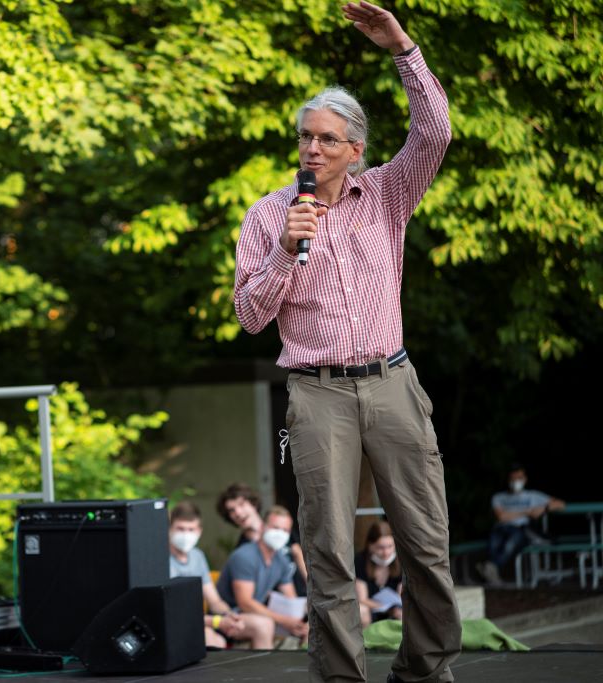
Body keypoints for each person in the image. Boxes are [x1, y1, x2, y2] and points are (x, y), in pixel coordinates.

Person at [232, 2, 461, 680]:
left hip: (392, 382)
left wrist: (402, 48)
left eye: (327, 139)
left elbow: (436, 131)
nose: (312, 149)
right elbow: (249, 315)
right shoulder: (268, 216)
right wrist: (284, 250)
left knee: (426, 540)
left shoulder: (388, 192)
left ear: (354, 150)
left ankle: (423, 671)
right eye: (305, 137)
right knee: (328, 549)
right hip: (317, 393)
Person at [168, 501, 275, 649]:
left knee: (264, 624)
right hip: (178, 623)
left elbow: (214, 601)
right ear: (169, 529)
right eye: (180, 529)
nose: (186, 534)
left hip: (205, 620)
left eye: (191, 529)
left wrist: (229, 615)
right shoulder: (161, 560)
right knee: (214, 641)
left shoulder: (197, 556)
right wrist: (218, 622)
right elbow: (175, 614)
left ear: (199, 531)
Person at [216, 506, 308, 643]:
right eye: (275, 528)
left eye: (285, 530)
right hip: (228, 616)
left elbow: (291, 601)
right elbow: (245, 603)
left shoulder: (281, 560)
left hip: (255, 616)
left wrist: (299, 623)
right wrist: (285, 620)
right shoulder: (244, 556)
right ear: (261, 527)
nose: (280, 533)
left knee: (310, 626)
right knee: (264, 624)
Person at [478, 463, 566, 586]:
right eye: (513, 479)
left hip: (520, 530)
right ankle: (491, 570)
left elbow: (561, 504)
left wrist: (543, 508)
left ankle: (490, 568)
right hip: (501, 528)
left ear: (525, 479)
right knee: (494, 542)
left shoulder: (532, 496)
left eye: (519, 478)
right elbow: (501, 517)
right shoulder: (498, 497)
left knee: (512, 541)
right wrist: (528, 512)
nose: (516, 482)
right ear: (508, 480)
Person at [217, 482, 308, 595]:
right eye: (231, 510)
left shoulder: (278, 524)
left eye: (241, 504)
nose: (238, 513)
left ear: (253, 504)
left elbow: (297, 553)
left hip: (302, 591)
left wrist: (311, 585)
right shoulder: (242, 549)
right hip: (275, 601)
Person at [355, 520, 403, 628]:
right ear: (370, 545)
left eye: (390, 546)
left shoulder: (400, 561)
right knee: (361, 610)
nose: (386, 553)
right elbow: (362, 599)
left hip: (394, 612)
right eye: (381, 547)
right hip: (371, 611)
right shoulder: (360, 561)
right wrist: (386, 608)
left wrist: (396, 608)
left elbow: (401, 595)